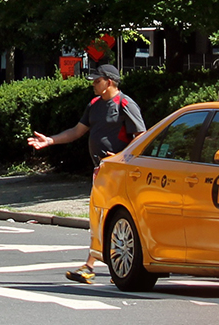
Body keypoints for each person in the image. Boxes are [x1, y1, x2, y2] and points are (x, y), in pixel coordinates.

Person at [24, 64, 146, 284]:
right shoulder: (94, 105)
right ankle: (114, 267)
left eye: (97, 80)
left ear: (109, 82)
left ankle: (93, 266)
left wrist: (120, 156)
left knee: (110, 217)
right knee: (102, 217)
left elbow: (142, 135)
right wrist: (50, 140)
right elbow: (76, 132)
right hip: (101, 170)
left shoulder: (125, 104)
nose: (93, 83)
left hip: (119, 172)